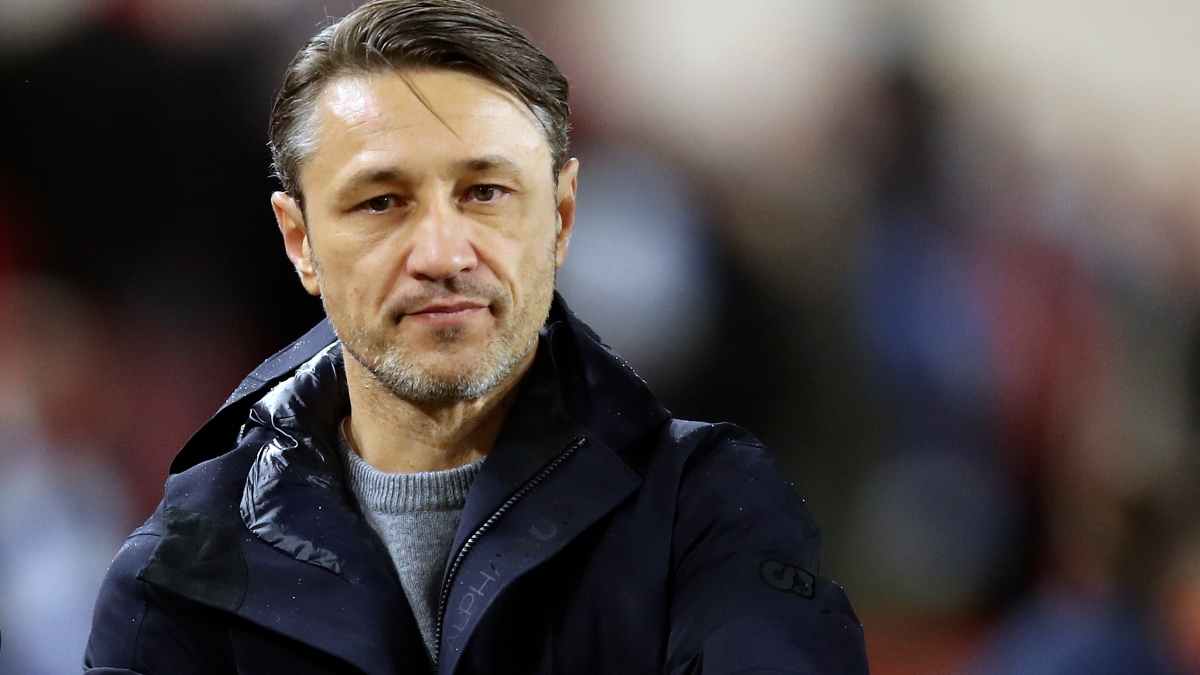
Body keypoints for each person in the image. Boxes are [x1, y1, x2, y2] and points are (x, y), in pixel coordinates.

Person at [84, 1, 869, 673]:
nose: (441, 254)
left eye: (485, 192)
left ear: (560, 216)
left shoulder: (710, 516)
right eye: (381, 202)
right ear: (300, 241)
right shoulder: (179, 576)